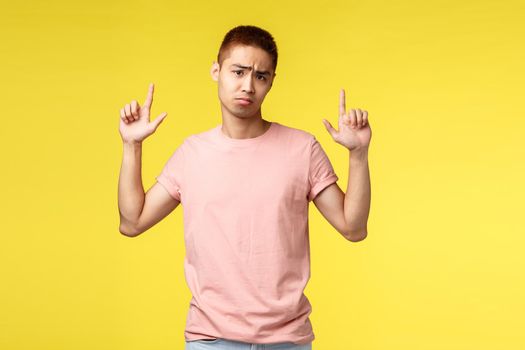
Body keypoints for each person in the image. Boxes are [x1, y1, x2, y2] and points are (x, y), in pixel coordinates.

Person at [118, 25, 371, 350]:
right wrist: (131, 146)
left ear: (271, 82)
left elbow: (353, 228)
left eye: (261, 76)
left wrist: (359, 154)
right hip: (211, 340)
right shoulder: (192, 154)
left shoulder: (302, 149)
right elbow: (132, 222)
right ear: (216, 71)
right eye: (238, 72)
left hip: (287, 341)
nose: (248, 86)